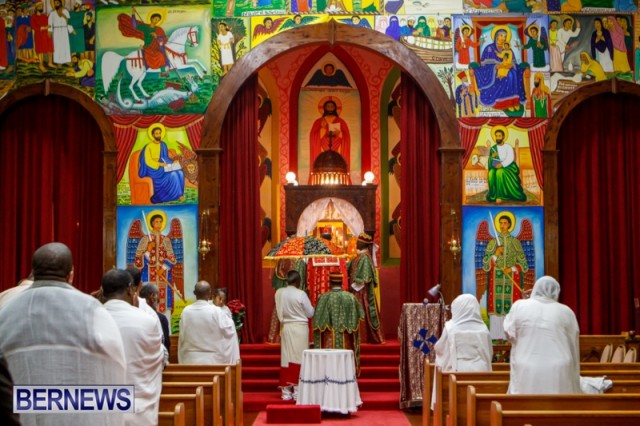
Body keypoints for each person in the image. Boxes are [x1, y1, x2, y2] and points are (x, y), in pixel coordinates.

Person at [0, 242, 127, 426]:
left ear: (33, 272)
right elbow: (115, 366)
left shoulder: (7, 310)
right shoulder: (93, 309)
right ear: (71, 274)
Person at [102, 269, 164, 426]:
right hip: (139, 407)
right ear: (131, 289)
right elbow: (159, 360)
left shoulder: (89, 318)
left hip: (102, 407)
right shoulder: (147, 320)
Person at [504, 276, 580, 394]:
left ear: (535, 289)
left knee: (526, 408)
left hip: (527, 366)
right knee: (558, 408)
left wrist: (524, 302)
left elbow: (508, 333)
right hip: (560, 368)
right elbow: (573, 339)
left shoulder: (520, 306)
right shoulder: (567, 311)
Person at [431, 294, 492, 409]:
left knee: (459, 406)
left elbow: (440, 349)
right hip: (480, 372)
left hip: (457, 372)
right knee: (478, 407)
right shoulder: (483, 329)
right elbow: (489, 352)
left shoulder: (450, 327)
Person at [482, 213, 529, 339]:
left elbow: (524, 265)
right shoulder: (493, 243)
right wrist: (496, 254)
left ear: (509, 225)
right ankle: (496, 339)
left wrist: (511, 269)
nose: (502, 225)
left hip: (511, 281)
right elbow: (486, 264)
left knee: (511, 312)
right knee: (496, 314)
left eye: (505, 223)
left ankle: (511, 340)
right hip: (496, 281)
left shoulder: (515, 242)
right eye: (500, 223)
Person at [313, 272, 365, 374]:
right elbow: (361, 315)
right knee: (345, 370)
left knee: (329, 370)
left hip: (329, 340)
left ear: (330, 283)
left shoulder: (323, 298)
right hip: (345, 339)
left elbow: (317, 321)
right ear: (341, 283)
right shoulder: (350, 297)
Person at [275, 270, 314, 400]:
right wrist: (307, 296)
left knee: (286, 358)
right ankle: (297, 391)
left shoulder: (279, 293)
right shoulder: (301, 294)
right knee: (298, 359)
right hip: (300, 329)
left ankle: (286, 392)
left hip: (287, 328)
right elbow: (310, 313)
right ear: (298, 281)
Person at [178, 281, 239, 364]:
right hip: (212, 361)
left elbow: (182, 336)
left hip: (190, 360)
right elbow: (230, 330)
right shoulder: (217, 311)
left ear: (194, 293)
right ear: (210, 293)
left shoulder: (186, 311)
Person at [473, 26, 528, 113]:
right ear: (496, 37)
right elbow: (483, 63)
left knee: (514, 73)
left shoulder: (508, 49)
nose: (504, 38)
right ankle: (506, 103)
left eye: (505, 36)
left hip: (507, 68)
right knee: (509, 76)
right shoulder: (489, 48)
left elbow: (513, 61)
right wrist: (495, 67)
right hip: (494, 71)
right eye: (502, 36)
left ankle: (515, 101)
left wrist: (511, 65)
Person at [348, 232, 384, 344]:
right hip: (356, 290)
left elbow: (365, 277)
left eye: (358, 241)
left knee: (363, 312)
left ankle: (363, 337)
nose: (356, 243)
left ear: (363, 244)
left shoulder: (365, 258)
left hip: (361, 292)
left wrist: (353, 286)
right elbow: (349, 267)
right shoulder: (359, 256)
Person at [138, 124, 185, 204]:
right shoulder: (148, 146)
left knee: (180, 172)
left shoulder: (163, 145)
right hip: (154, 169)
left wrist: (172, 162)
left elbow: (165, 158)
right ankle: (176, 195)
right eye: (156, 133)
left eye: (159, 133)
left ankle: (179, 194)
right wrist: (160, 164)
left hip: (163, 166)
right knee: (173, 174)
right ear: (153, 135)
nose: (158, 135)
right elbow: (148, 161)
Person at [309, 98, 351, 173]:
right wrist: (322, 130)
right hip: (322, 150)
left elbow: (346, 137)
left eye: (332, 106)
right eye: (328, 106)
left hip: (337, 150)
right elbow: (313, 137)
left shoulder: (341, 121)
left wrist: (340, 134)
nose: (330, 108)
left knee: (337, 165)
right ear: (324, 108)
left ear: (335, 108)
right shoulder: (319, 121)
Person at [485, 126, 527, 203]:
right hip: (496, 165)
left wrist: (502, 164)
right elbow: (491, 161)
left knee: (499, 172)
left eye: (499, 136)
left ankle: (501, 196)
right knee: (491, 173)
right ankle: (493, 195)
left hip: (508, 167)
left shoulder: (508, 147)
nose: (498, 138)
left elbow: (510, 158)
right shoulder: (493, 148)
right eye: (496, 136)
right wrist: (492, 157)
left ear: (503, 137)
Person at [140, 283, 171, 354]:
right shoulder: (161, 319)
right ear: (152, 297)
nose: (159, 300)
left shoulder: (135, 315)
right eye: (158, 295)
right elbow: (166, 344)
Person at [30, 1, 55, 72]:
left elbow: (49, 24)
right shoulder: (33, 17)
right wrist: (44, 27)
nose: (41, 8)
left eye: (42, 6)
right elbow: (34, 26)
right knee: (40, 50)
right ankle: (41, 64)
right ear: (36, 8)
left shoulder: (44, 16)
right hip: (39, 35)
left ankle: (50, 62)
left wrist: (49, 30)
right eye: (39, 6)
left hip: (47, 35)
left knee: (50, 48)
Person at [48, 0, 72, 65]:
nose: (56, 4)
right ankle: (58, 62)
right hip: (56, 31)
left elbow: (68, 21)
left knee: (65, 45)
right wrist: (50, 31)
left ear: (60, 3)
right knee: (57, 46)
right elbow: (50, 23)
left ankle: (67, 60)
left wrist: (63, 15)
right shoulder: (52, 13)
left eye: (57, 3)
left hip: (64, 29)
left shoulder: (65, 11)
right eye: (55, 3)